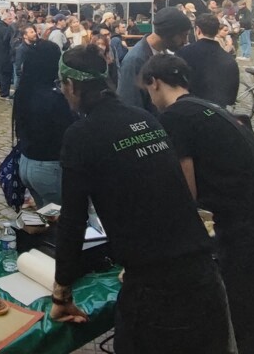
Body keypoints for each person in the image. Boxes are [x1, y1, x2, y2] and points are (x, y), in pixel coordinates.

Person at [49, 46, 229, 353]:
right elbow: (167, 192)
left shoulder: (81, 135)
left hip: (157, 294)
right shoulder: (147, 118)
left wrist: (61, 294)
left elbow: (73, 220)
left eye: (62, 86)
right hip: (204, 274)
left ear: (71, 85)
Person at [139, 54, 254, 354]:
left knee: (252, 328)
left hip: (248, 237)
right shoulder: (209, 107)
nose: (150, 100)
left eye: (147, 90)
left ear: (154, 82)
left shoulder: (174, 118)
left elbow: (184, 193)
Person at [11, 40, 74, 208]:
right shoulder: (53, 98)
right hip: (48, 167)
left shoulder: (24, 91)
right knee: (62, 217)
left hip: (26, 163)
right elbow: (68, 133)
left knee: (46, 215)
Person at [116, 7, 191, 113]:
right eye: (183, 36)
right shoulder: (135, 60)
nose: (185, 41)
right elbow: (130, 104)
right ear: (169, 33)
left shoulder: (165, 54)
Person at [176, 13, 239, 107]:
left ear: (198, 30)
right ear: (217, 31)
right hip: (217, 112)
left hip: (189, 108)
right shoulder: (228, 58)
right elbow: (231, 98)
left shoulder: (183, 53)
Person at [0, 14, 16, 100]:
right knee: (5, 75)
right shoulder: (4, 29)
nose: (11, 20)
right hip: (4, 55)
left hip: (0, 54)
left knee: (3, 75)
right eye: (10, 19)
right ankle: (4, 94)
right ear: (5, 20)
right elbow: (7, 41)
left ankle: (3, 92)